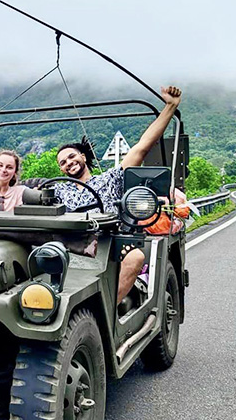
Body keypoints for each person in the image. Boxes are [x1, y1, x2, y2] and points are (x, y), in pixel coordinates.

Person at [55, 86, 183, 304]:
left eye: (72, 157)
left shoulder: (109, 179)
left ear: (84, 157)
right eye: (63, 163)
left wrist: (170, 106)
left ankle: (107, 309)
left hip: (110, 241)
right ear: (61, 170)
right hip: (72, 243)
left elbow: (142, 147)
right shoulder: (58, 189)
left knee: (136, 257)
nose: (69, 163)